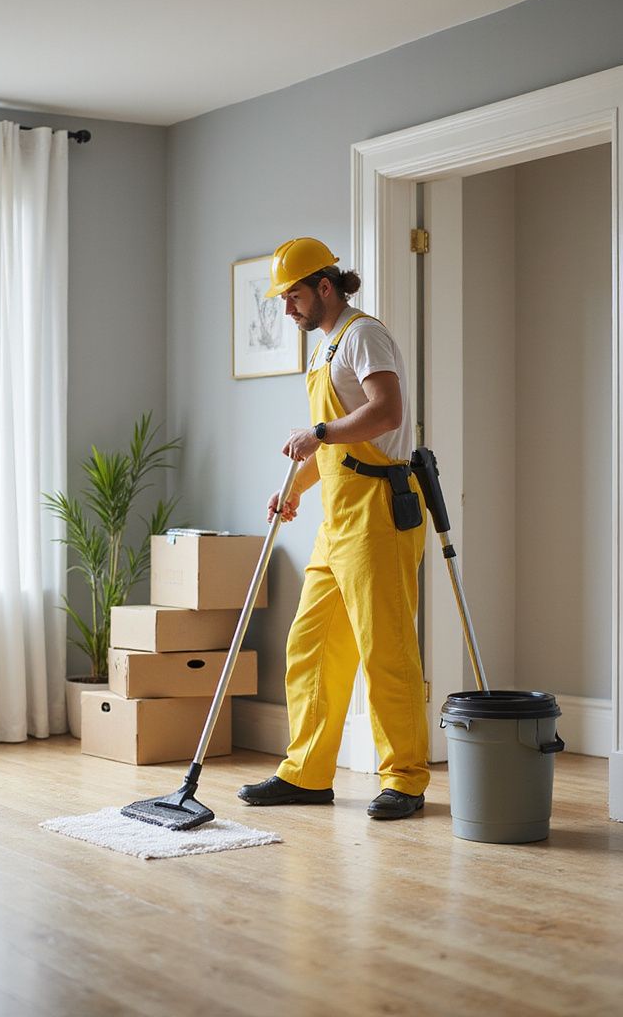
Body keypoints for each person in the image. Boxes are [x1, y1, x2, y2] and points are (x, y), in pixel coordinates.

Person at [237, 236, 429, 820]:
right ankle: (307, 774)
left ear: (324, 286)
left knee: (385, 650)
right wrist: (292, 490)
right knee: (311, 643)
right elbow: (335, 445)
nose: (286, 308)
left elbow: (386, 413)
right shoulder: (324, 351)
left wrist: (316, 434)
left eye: (292, 295)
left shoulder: (363, 335)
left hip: (379, 513)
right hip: (338, 521)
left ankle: (406, 778)